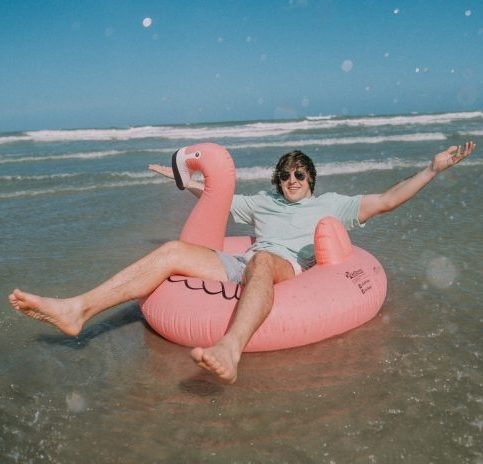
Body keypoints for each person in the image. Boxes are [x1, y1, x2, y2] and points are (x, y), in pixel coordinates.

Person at [8, 141, 475, 384]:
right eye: (286, 174)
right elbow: (218, 195)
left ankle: (230, 348)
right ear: (279, 179)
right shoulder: (261, 204)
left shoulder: (335, 204)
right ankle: (77, 310)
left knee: (265, 258)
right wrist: (179, 178)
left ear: (311, 178)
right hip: (244, 263)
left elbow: (389, 200)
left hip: (288, 268)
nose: (293, 180)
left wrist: (432, 169)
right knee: (172, 252)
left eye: (300, 174)